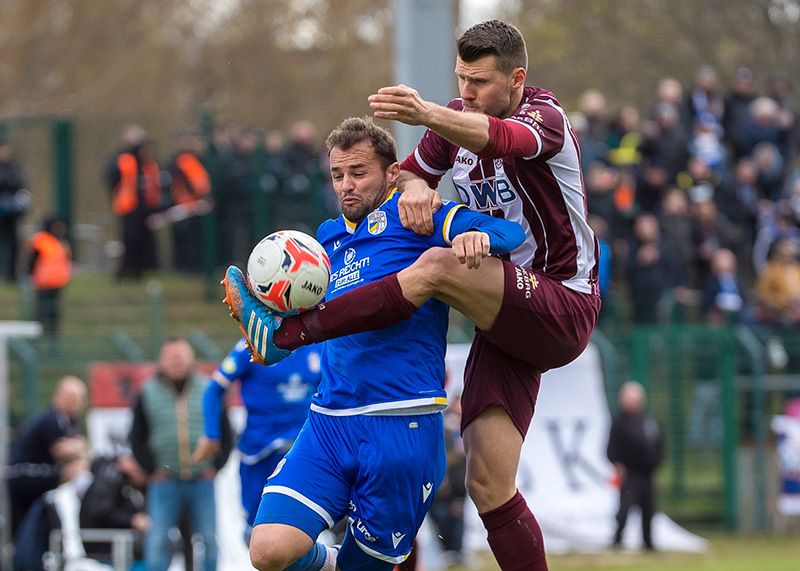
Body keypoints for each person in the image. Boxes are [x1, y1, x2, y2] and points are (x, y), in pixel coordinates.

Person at [227, 21, 599, 571]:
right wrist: (420, 182)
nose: (466, 93)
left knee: (437, 264)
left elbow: (500, 138)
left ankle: (288, 335)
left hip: (560, 301)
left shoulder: (545, 117)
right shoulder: (446, 129)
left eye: (479, 83)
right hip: (502, 319)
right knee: (488, 483)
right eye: (461, 80)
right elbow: (401, 178)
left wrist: (426, 114)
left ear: (517, 79)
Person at [223, 116, 525, 570]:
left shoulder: (414, 215)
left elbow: (512, 235)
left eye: (359, 172)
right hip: (329, 422)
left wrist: (474, 232)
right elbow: (322, 312)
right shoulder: (324, 241)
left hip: (400, 425)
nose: (347, 185)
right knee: (268, 551)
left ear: (390, 173)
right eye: (338, 175)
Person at [193, 338, 321, 543]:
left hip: (303, 448)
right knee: (255, 533)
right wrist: (211, 433)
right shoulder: (253, 342)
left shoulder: (319, 343)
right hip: (259, 451)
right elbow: (213, 389)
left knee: (300, 530)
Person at [129, 337, 233, 571]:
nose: (176, 361)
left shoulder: (210, 389)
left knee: (209, 540)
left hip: (202, 481)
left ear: (191, 358)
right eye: (171, 357)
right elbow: (136, 437)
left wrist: (216, 467)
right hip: (164, 482)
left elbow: (227, 433)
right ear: (161, 361)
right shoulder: (147, 392)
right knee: (157, 541)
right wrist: (150, 469)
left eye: (181, 355)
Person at [6, 376, 87, 535]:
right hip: (22, 475)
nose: (75, 402)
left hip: (35, 477)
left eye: (79, 398)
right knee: (72, 472)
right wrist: (80, 448)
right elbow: (60, 450)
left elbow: (77, 448)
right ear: (59, 397)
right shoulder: (53, 418)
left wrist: (79, 448)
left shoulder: (71, 421)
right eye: (71, 398)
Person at [606, 382, 663, 551]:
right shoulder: (619, 423)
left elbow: (659, 445)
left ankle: (648, 542)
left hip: (647, 474)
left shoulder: (649, 421)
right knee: (624, 509)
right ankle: (617, 540)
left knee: (649, 510)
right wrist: (618, 465)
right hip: (629, 474)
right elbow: (611, 449)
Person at [105, 126, 162, 279]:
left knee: (143, 241)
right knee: (129, 240)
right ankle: (126, 271)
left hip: (144, 207)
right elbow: (112, 178)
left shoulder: (148, 162)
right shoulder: (123, 159)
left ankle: (140, 270)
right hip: (128, 206)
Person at [25, 216, 73, 335]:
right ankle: (40, 332)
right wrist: (30, 275)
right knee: (42, 309)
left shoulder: (61, 242)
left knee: (54, 310)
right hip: (43, 282)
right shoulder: (41, 240)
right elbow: (32, 261)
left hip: (58, 283)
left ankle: (52, 333)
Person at [0, 138, 30, 281]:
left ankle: (11, 274)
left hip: (11, 211)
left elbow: (19, 182)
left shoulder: (13, 167)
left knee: (13, 241)